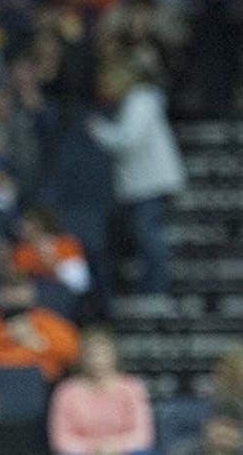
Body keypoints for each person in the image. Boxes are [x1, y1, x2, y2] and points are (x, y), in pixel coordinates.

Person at [87, 53, 186, 295]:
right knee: (143, 235)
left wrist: (99, 131)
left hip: (151, 183)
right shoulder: (136, 100)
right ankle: (152, 288)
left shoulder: (141, 99)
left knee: (149, 235)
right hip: (145, 183)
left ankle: (156, 290)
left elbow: (129, 140)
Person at [47, 326, 156, 455]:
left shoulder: (132, 387)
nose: (97, 360)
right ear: (81, 358)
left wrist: (114, 447)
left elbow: (143, 435)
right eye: (92, 354)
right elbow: (61, 440)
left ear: (114, 354)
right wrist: (94, 449)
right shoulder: (66, 391)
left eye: (103, 353)